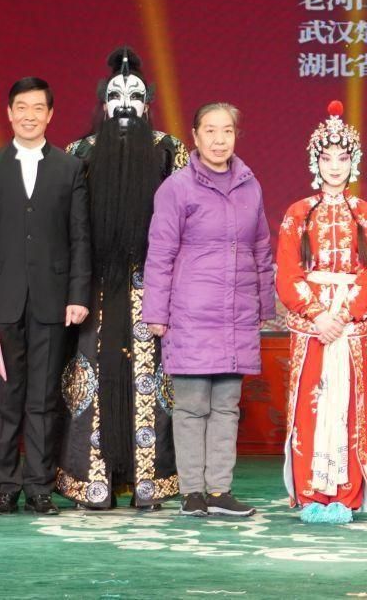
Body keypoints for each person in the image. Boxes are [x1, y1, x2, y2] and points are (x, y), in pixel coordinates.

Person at [56, 46, 187, 510]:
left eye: (135, 96)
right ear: (103, 103)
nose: (125, 105)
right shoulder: (79, 153)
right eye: (116, 96)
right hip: (95, 285)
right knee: (91, 377)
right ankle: (93, 481)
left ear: (148, 104)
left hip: (154, 284)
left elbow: (186, 222)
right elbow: (67, 228)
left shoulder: (170, 150)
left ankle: (150, 481)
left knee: (152, 379)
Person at [0, 74, 92, 516]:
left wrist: (78, 294)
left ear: (50, 114)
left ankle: (39, 487)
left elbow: (80, 237)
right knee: (6, 399)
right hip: (1, 301)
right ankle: (4, 487)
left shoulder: (71, 168)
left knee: (44, 400)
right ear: (9, 113)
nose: (30, 116)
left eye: (38, 108)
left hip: (53, 301)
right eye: (22, 107)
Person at [144, 103, 273, 520]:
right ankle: (192, 493)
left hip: (237, 314)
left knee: (226, 407)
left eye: (227, 131)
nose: (219, 140)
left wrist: (265, 305)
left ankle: (219, 490)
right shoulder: (177, 188)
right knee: (191, 406)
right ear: (195, 137)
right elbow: (160, 254)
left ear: (236, 135)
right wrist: (156, 312)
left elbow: (261, 249)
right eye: (211, 131)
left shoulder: (250, 185)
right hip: (191, 313)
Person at [275, 101, 367, 524]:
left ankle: (346, 493)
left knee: (348, 407)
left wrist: (344, 315)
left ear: (353, 161)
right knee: (311, 405)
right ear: (315, 162)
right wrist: (318, 314)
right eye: (327, 157)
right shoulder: (298, 213)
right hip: (312, 327)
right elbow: (288, 271)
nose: (335, 166)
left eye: (343, 157)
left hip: (348, 325)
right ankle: (310, 493)